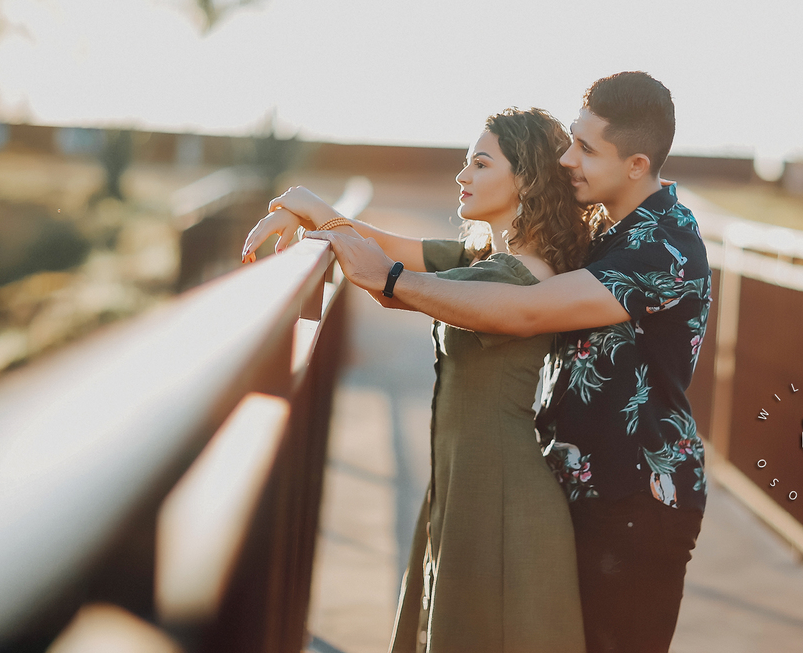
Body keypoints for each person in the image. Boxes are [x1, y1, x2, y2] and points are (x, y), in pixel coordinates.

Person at [308, 72, 711, 653]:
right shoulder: (603, 230)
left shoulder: (664, 245)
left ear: (636, 165)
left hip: (636, 501)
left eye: (586, 149)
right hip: (575, 485)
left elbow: (523, 310)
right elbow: (452, 260)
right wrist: (318, 218)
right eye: (570, 140)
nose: (566, 159)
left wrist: (391, 280)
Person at [243, 108, 594, 653]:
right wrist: (307, 207)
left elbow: (387, 281)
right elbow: (385, 249)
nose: (462, 175)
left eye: (481, 164)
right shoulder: (485, 257)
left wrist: (313, 210)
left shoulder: (518, 276)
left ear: (526, 180)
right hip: (465, 483)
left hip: (502, 501)